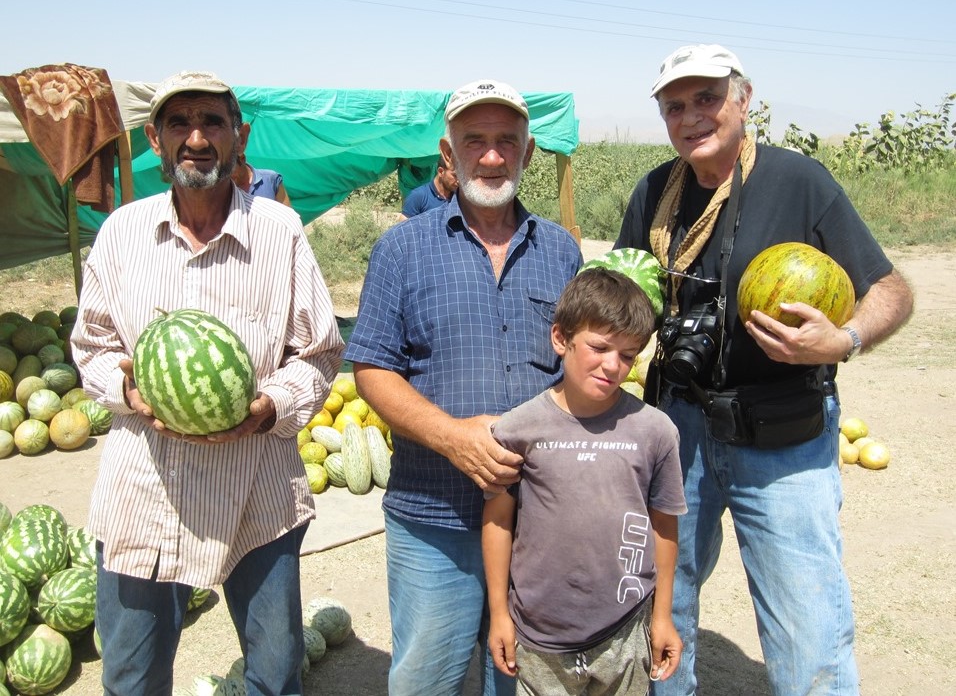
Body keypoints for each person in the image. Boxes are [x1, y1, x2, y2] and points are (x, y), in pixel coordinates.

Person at [614, 45, 914, 695]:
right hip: (679, 426)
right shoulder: (652, 192)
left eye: (707, 99)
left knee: (807, 619)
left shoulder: (798, 181)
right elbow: (624, 293)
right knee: (665, 597)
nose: (692, 116)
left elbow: (889, 288)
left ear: (743, 99)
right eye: (675, 105)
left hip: (782, 433)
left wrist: (845, 338)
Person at [71, 70, 344, 696]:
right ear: (156, 140)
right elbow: (91, 347)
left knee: (275, 675)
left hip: (257, 493)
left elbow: (321, 354)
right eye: (179, 124)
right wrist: (129, 393)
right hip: (146, 491)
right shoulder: (121, 234)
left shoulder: (280, 233)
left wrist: (269, 404)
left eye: (212, 123)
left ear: (238, 135)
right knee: (132, 677)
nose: (197, 138)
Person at [344, 79, 583, 695]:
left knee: (523, 678)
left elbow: (576, 374)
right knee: (430, 679)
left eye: (508, 141)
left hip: (538, 521)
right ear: (448, 155)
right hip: (433, 515)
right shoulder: (401, 248)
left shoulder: (561, 252)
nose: (493, 155)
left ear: (528, 153)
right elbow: (370, 366)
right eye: (474, 140)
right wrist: (453, 438)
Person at [483, 267, 686, 695]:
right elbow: (499, 519)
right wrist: (499, 613)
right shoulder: (519, 428)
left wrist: (662, 616)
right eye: (599, 347)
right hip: (540, 637)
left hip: (625, 631)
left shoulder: (655, 431)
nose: (613, 366)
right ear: (561, 339)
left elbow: (664, 526)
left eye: (629, 355)